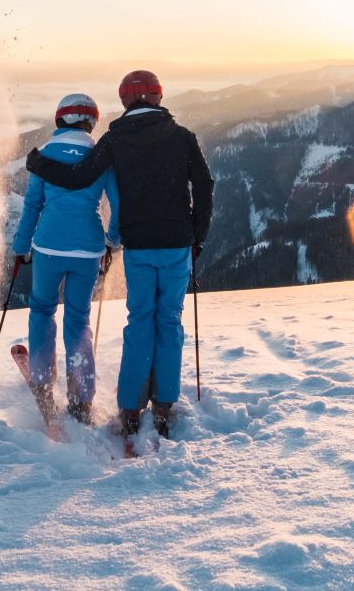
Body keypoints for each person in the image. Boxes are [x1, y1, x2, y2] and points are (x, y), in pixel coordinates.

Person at [25, 69, 213, 441]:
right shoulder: (183, 137)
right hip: (177, 243)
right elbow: (205, 185)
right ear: (158, 97)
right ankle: (163, 405)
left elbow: (78, 177)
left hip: (140, 245)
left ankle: (129, 409)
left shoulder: (114, 139)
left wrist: (38, 163)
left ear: (125, 100)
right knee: (169, 321)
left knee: (140, 319)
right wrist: (197, 235)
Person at [12, 93, 121, 424]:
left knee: (42, 311)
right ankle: (81, 398)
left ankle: (43, 383)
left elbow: (32, 205)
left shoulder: (45, 155)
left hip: (47, 246)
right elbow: (118, 207)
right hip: (88, 248)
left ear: (60, 119)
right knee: (78, 319)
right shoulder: (101, 157)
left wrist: (21, 246)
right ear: (92, 121)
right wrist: (111, 243)